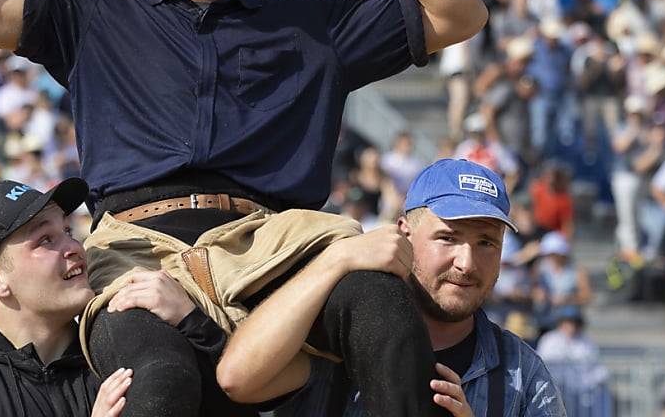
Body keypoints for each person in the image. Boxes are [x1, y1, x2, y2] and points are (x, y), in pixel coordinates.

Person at [0, 0, 487, 414]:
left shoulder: (312, 27)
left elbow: (458, 13)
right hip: (136, 252)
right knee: (159, 380)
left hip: (274, 246)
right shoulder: (92, 15)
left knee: (382, 303)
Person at [216, 159, 567, 417]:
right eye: (448, 238)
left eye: (486, 243)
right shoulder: (339, 330)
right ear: (404, 232)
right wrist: (335, 260)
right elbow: (237, 378)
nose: (467, 263)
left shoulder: (520, 371)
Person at [0, 178, 225, 416]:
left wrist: (192, 322)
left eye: (68, 232)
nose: (74, 247)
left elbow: (239, 404)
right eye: (45, 239)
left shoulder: (118, 350)